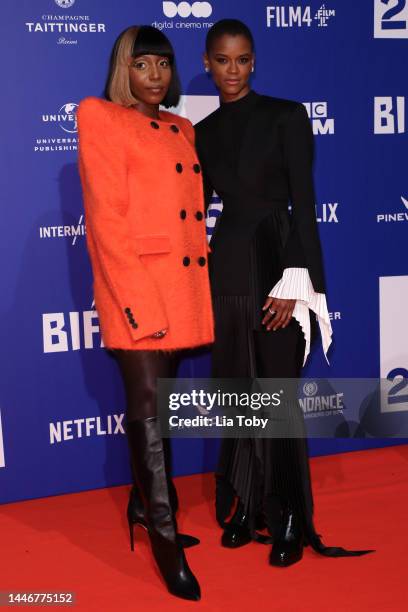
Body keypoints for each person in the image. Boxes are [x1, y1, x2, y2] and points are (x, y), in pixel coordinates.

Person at [195, 19, 373, 566]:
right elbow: (193, 209)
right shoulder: (200, 132)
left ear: (254, 62)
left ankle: (290, 514)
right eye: (222, 60)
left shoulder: (286, 116)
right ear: (207, 63)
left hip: (276, 262)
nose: (233, 70)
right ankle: (246, 506)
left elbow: (305, 202)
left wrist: (297, 281)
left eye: (243, 60)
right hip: (226, 266)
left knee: (275, 395)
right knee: (240, 394)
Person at [77, 25, 213, 601]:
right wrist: (139, 307)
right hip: (137, 290)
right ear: (122, 71)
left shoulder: (182, 127)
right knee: (149, 413)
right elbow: (107, 222)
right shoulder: (100, 117)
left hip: (180, 290)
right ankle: (163, 537)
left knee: (160, 406)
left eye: (162, 64)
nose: (154, 75)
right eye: (142, 65)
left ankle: (141, 505)